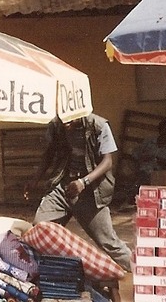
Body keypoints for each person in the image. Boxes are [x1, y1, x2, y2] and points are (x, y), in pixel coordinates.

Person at [26, 114, 131, 270]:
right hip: (63, 188)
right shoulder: (56, 126)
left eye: (70, 119)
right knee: (39, 228)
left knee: (109, 242)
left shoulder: (99, 125)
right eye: (63, 118)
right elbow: (48, 155)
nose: (66, 123)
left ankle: (146, 272)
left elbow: (108, 161)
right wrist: (34, 180)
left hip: (90, 193)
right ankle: (56, 271)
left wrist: (84, 182)